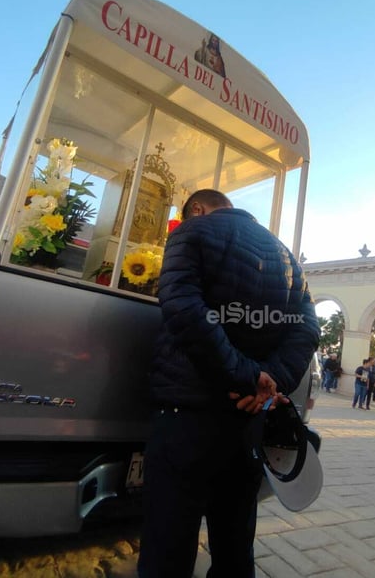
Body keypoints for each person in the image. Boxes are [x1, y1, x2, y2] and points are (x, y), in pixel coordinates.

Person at [137, 189, 319, 578]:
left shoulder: (192, 232)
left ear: (197, 210)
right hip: (248, 422)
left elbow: (183, 307)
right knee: (236, 537)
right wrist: (269, 381)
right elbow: (306, 329)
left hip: (188, 412)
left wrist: (247, 376)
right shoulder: (287, 256)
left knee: (169, 540)